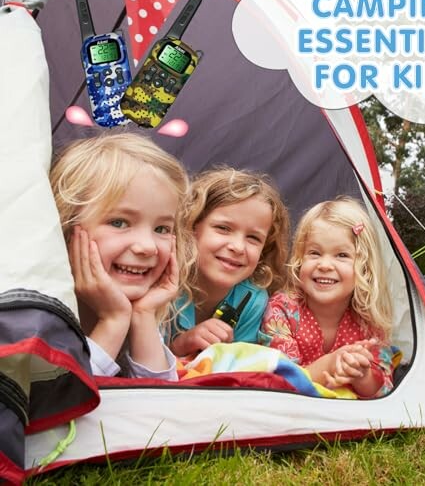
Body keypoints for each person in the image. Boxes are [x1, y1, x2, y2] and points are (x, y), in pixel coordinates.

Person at [50, 133, 193, 379]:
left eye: (162, 229)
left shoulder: (141, 313)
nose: (147, 246)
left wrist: (144, 316)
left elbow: (161, 408)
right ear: (65, 228)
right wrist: (112, 321)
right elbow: (58, 404)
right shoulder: (37, 321)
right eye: (119, 222)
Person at [261, 196, 397, 398]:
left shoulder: (369, 320)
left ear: (364, 268)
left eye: (341, 255)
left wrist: (361, 375)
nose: (324, 265)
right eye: (314, 253)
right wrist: (331, 364)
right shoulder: (282, 309)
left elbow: (383, 389)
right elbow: (281, 381)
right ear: (299, 259)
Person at [169, 167, 290, 358]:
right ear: (191, 227)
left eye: (253, 238)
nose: (238, 247)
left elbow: (236, 369)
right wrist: (179, 346)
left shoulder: (252, 300)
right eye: (223, 228)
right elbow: (137, 365)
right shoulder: (165, 283)